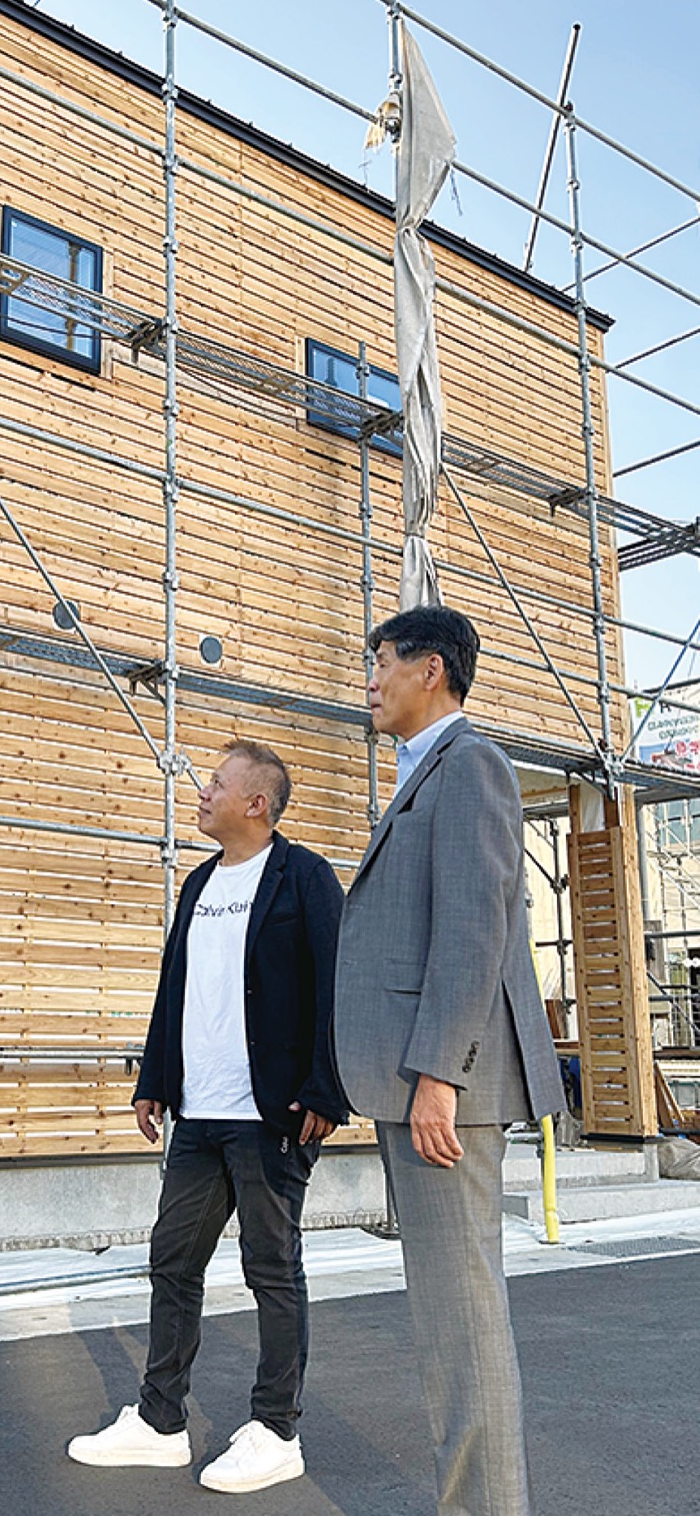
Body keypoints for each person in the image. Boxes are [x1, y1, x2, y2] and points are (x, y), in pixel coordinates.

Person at [68, 738, 347, 1494]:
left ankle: (275, 1429)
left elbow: (336, 984)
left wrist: (326, 1090)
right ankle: (161, 1420)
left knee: (271, 1268)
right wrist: (154, 1079)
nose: (201, 791)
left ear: (256, 803)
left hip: (271, 1114)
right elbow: (175, 988)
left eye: (216, 783)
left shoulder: (305, 877)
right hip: (200, 1113)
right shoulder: (198, 883)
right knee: (173, 1258)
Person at [334, 605, 565, 1516]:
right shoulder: (427, 772)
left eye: (381, 661)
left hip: (444, 1091)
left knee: (462, 1324)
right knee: (449, 1323)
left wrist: (439, 1074)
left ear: (430, 668)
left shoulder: (470, 765)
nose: (372, 680)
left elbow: (475, 929)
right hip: (421, 1084)